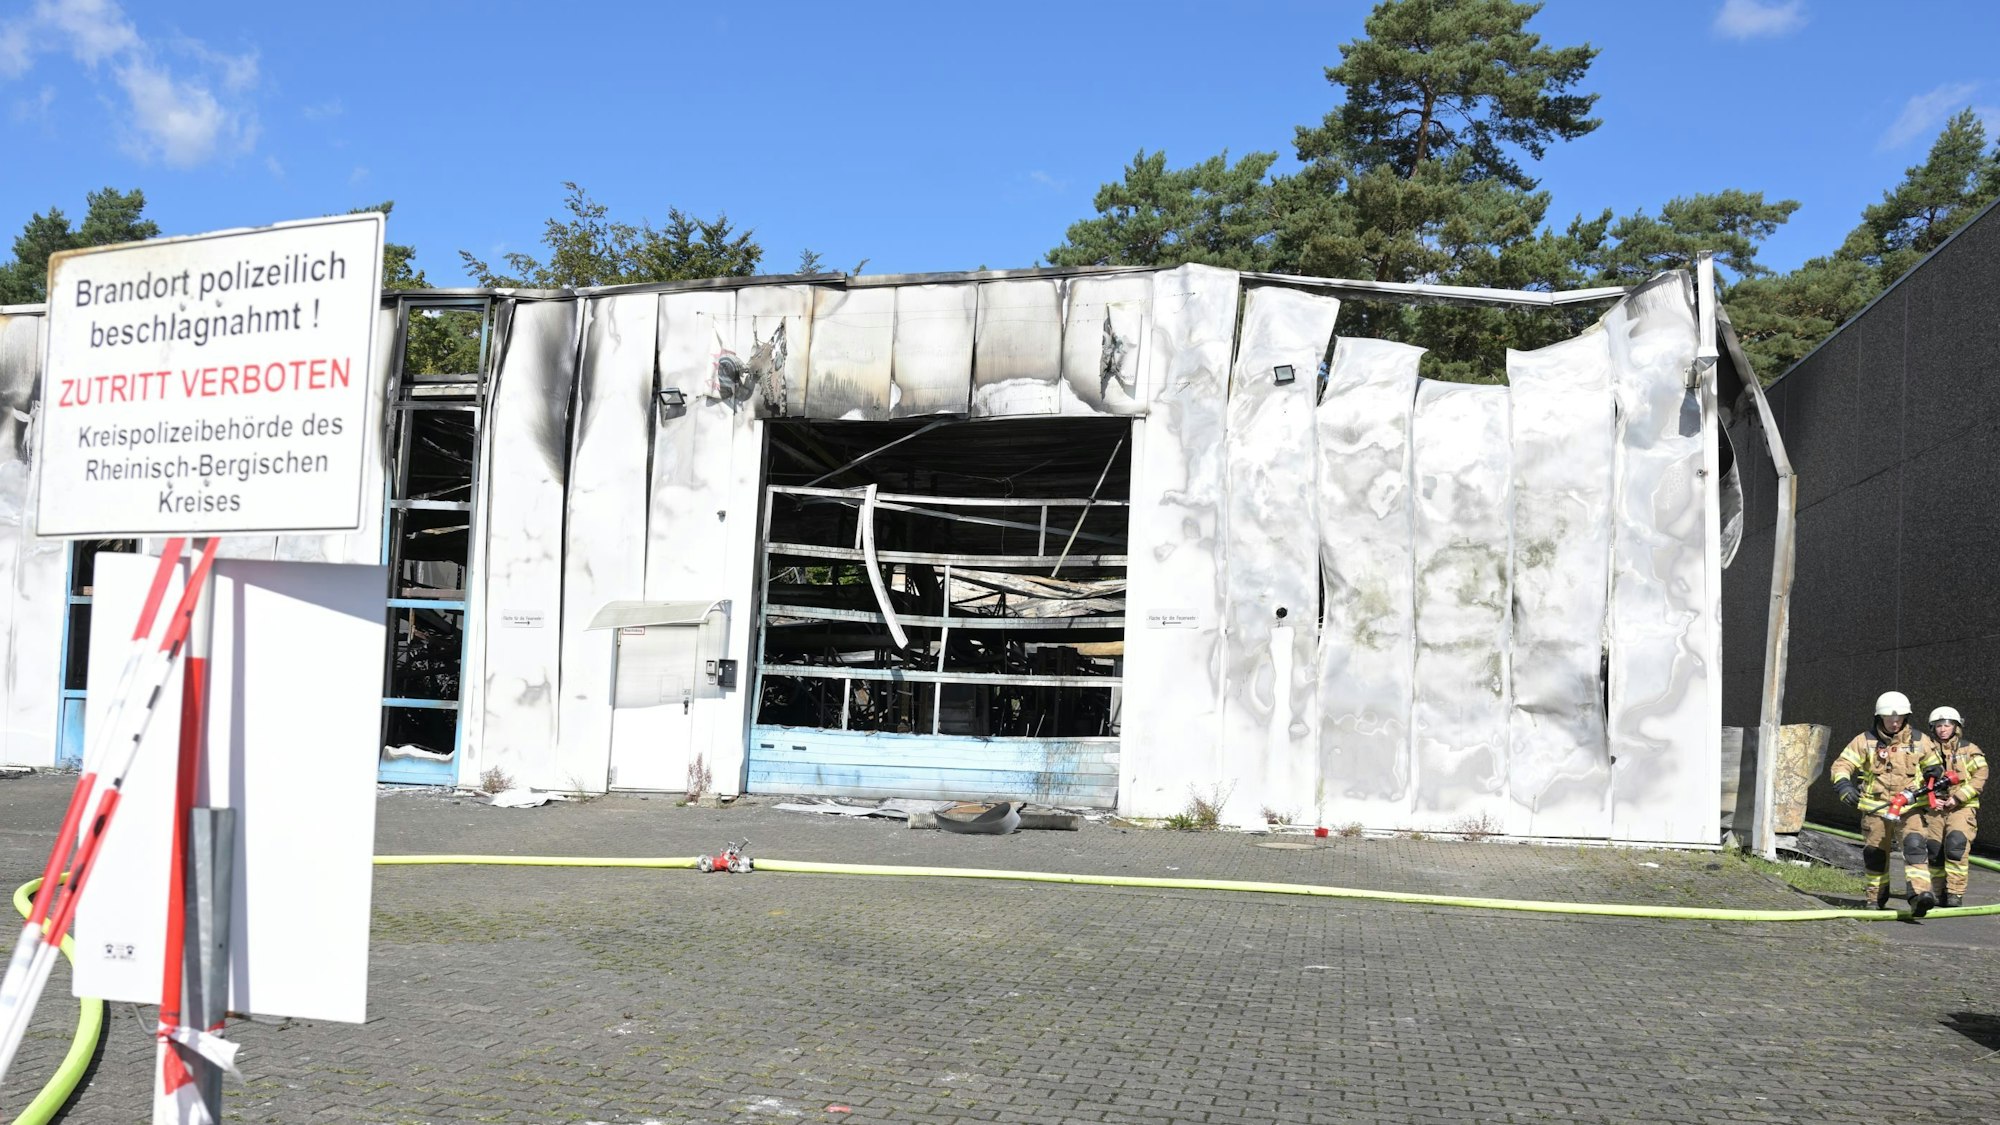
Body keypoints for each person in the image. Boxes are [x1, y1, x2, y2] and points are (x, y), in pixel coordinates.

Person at [1830, 691, 1943, 914]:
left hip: (1909, 807)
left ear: (1906, 717)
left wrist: (1934, 771)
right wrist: (1844, 786)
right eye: (1890, 718)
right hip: (1876, 809)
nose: (1894, 722)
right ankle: (1876, 897)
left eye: (1899, 718)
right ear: (1879, 717)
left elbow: (1934, 764)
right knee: (1875, 854)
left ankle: (1920, 895)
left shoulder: (1919, 740)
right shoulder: (1865, 741)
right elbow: (1842, 765)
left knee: (1915, 846)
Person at [1920, 706, 1986, 908]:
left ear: (1956, 727)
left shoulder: (1969, 750)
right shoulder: (1925, 750)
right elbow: (1914, 776)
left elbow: (1980, 776)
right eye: (1938, 725)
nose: (1942, 729)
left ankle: (1955, 893)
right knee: (1933, 850)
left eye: (1947, 725)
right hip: (1934, 807)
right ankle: (1938, 891)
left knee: (1956, 845)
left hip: (1961, 807)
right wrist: (1931, 798)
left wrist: (1958, 797)